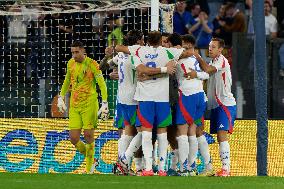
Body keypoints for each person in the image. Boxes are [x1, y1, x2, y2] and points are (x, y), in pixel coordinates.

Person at [57, 41, 109, 174]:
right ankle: (93, 159)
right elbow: (67, 80)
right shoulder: (70, 63)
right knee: (73, 138)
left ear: (83, 51)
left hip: (89, 104)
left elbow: (101, 84)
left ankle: (89, 169)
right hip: (74, 105)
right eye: (72, 52)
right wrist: (61, 97)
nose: (74, 55)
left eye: (76, 52)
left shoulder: (92, 64)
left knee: (88, 135)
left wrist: (105, 102)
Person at [194, 38, 236, 177]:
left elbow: (207, 70)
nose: (210, 49)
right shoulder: (213, 61)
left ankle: (226, 169)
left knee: (222, 135)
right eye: (209, 46)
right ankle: (218, 168)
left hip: (225, 103)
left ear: (220, 49)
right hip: (216, 105)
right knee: (219, 137)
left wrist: (197, 56)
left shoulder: (221, 60)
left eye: (213, 47)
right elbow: (205, 74)